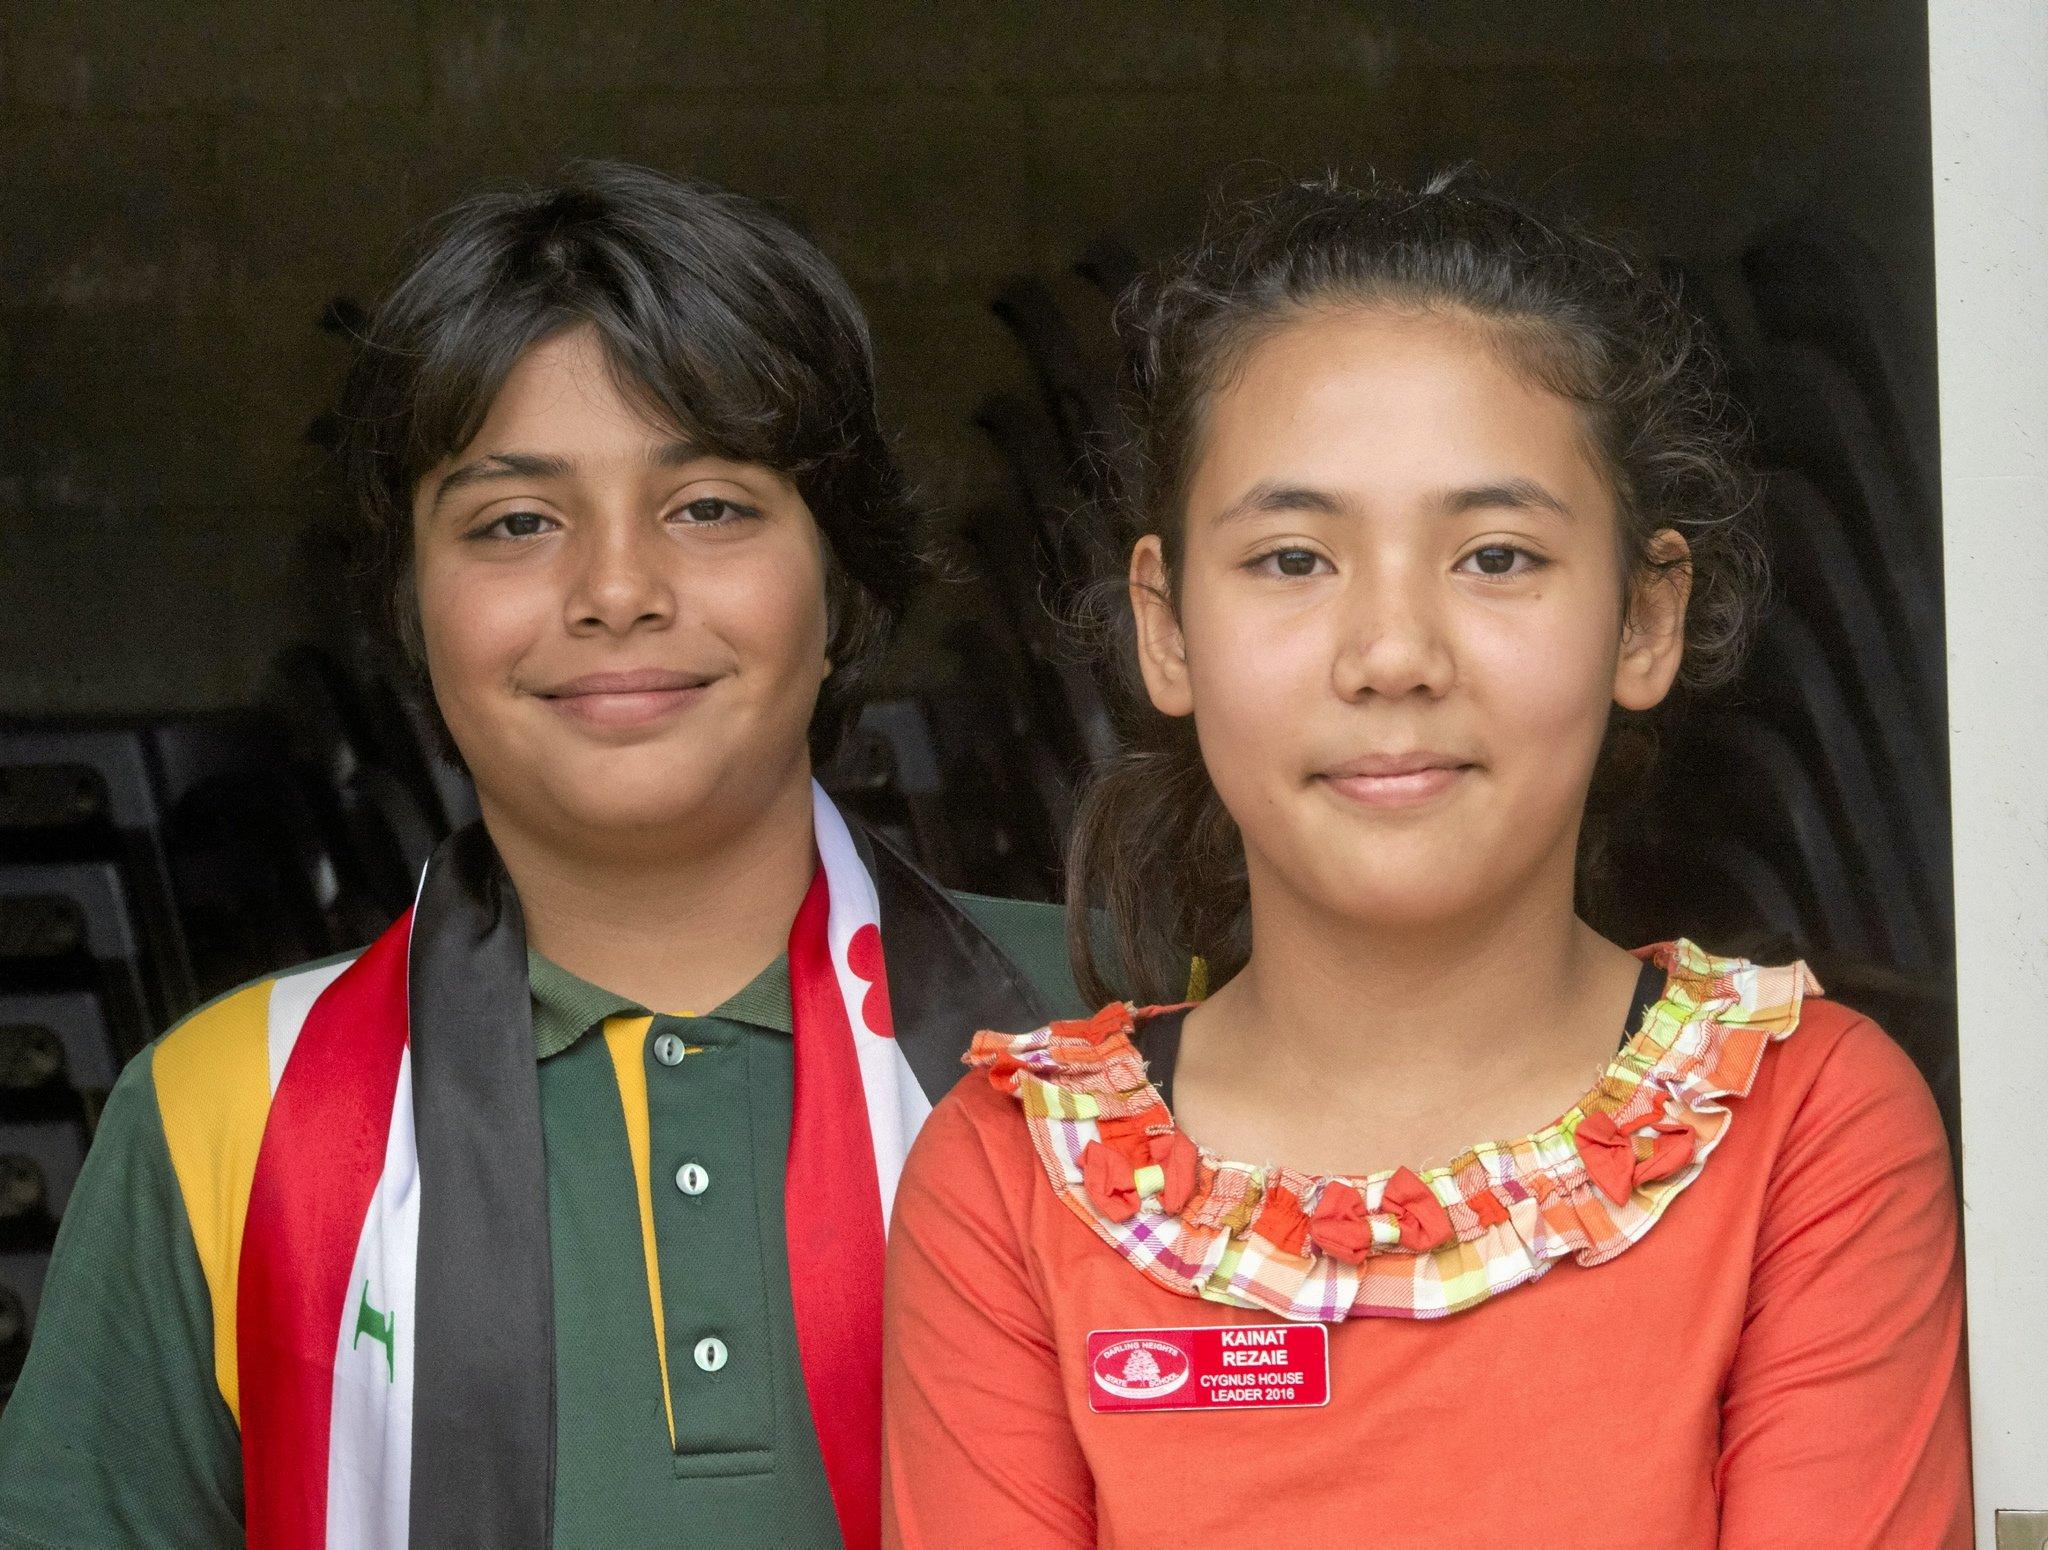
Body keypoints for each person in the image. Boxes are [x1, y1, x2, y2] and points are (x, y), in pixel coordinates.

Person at [0, 161, 1083, 1550]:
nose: (616, 590)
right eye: (516, 522)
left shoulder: (1138, 1040)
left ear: (846, 581)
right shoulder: (233, 1111)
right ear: (410, 601)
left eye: (710, 506)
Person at [880, 172, 1971, 1548]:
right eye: (1291, 559)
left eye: (1497, 555)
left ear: (1644, 619)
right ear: (1166, 627)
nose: (1392, 654)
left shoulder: (1809, 1133)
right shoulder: (1011, 1185)